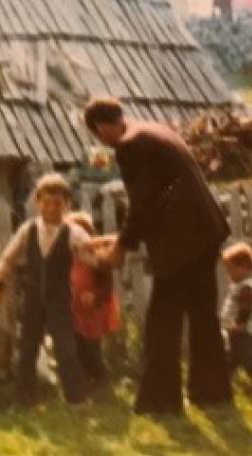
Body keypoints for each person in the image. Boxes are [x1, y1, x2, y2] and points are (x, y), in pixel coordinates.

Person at [84, 96, 232, 415]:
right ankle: (213, 393)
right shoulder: (150, 130)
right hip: (204, 231)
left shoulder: (130, 145)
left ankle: (161, 402)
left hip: (182, 243)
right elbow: (162, 197)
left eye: (98, 136)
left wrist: (120, 248)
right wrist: (123, 237)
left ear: (102, 127)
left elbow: (144, 204)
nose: (102, 143)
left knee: (162, 322)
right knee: (203, 315)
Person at [0, 173, 104, 406]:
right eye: (46, 203)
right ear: (37, 202)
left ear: (66, 204)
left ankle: (77, 398)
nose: (51, 208)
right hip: (33, 298)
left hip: (60, 300)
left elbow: (94, 260)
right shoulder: (27, 229)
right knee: (28, 347)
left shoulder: (73, 233)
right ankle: (24, 397)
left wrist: (97, 282)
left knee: (66, 349)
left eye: (57, 204)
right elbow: (7, 258)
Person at [67, 211, 120, 386]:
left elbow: (107, 286)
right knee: (76, 342)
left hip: (93, 309)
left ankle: (98, 376)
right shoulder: (69, 259)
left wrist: (96, 295)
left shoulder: (98, 259)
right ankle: (82, 376)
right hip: (74, 307)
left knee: (90, 343)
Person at [221, 243, 252, 390]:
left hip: (244, 331)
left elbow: (245, 308)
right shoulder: (241, 284)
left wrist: (239, 324)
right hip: (238, 330)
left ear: (245, 268)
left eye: (231, 270)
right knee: (232, 355)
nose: (229, 274)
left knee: (246, 356)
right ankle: (225, 377)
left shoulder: (247, 287)